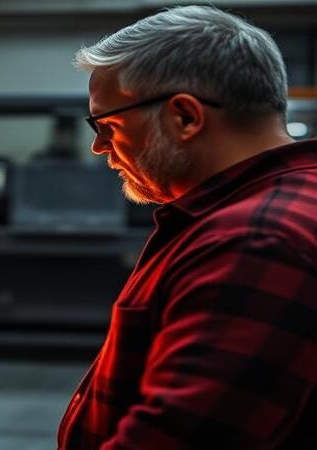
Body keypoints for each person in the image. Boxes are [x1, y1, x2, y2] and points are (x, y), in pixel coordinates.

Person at [60, 5, 317, 449]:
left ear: (185, 117)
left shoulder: (255, 242)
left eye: (107, 124)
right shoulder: (275, 206)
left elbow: (176, 438)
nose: (100, 147)